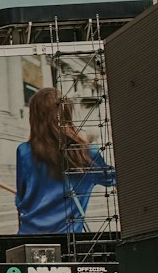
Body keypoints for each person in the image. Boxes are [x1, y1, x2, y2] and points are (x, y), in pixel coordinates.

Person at [15, 87, 115, 234]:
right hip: (68, 241)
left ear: (34, 117)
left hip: (29, 237)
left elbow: (20, 200)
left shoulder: (23, 151)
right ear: (67, 113)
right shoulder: (87, 152)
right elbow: (112, 179)